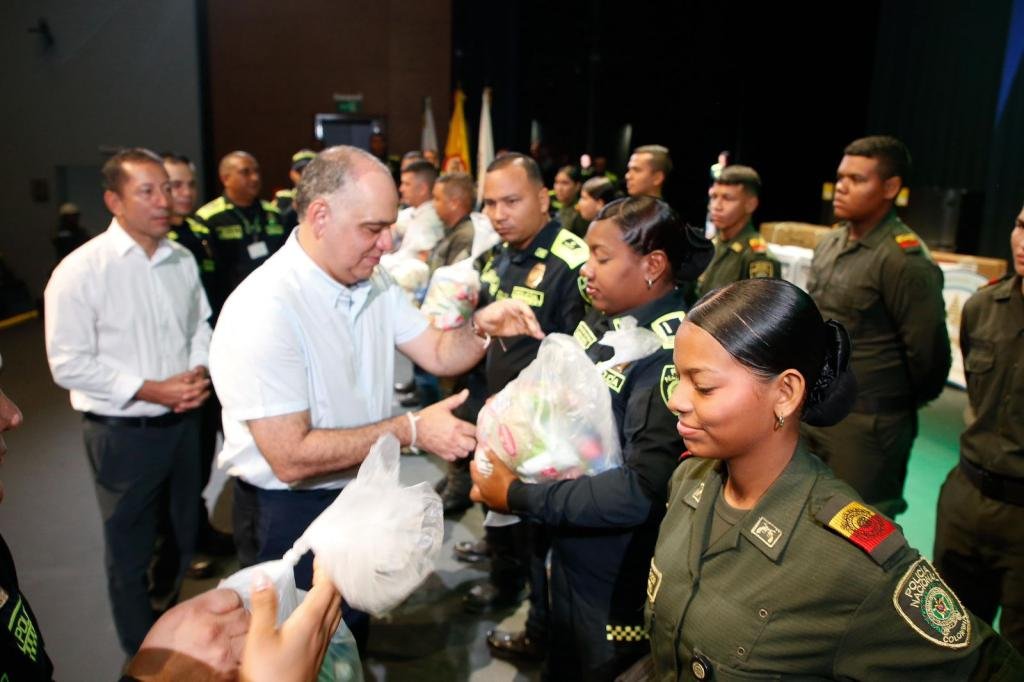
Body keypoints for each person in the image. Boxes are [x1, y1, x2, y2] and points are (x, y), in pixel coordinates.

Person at [208, 145, 542, 652]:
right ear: (320, 216)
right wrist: (410, 431)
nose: (388, 244)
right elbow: (290, 457)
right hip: (290, 513)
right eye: (372, 228)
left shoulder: (371, 278)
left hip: (357, 493)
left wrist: (478, 327)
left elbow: (435, 351)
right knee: (299, 654)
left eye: (389, 225)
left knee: (348, 635)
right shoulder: (265, 309)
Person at [643, 278, 1022, 680]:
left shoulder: (850, 562)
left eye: (702, 386)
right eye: (678, 377)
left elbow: (986, 668)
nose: (677, 400)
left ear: (786, 392)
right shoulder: (688, 480)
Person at [470, 196, 713, 680]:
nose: (587, 270)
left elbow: (641, 492)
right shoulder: (603, 320)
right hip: (566, 535)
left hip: (614, 566)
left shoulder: (669, 354)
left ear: (653, 266)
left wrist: (517, 493)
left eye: (602, 258)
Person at [44, 148, 212, 655]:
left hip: (183, 425)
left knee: (183, 536)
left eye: (167, 187)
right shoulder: (81, 271)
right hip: (123, 435)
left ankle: (166, 618)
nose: (165, 200)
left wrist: (198, 370)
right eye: (148, 191)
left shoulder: (180, 259)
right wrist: (152, 388)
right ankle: (142, 656)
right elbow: (67, 363)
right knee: (129, 552)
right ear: (114, 201)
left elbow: (199, 325)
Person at [802, 135, 950, 517]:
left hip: (869, 428)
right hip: (818, 410)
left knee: (859, 532)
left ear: (891, 188)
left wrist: (891, 406)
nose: (842, 187)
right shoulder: (831, 243)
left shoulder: (904, 260)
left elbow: (929, 355)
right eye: (841, 177)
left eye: (857, 179)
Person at [934, 203, 1024, 652]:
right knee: (948, 633)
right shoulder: (984, 306)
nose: (1023, 241)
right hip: (965, 498)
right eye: (1021, 226)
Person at [195, 151, 286, 300]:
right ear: (225, 178)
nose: (255, 178)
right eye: (245, 172)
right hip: (228, 300)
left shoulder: (274, 213)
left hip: (272, 298)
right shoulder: (208, 218)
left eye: (257, 171)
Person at [695, 164, 779, 298]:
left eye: (727, 198)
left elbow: (758, 312)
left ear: (750, 205)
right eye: (714, 197)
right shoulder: (713, 243)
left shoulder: (756, 257)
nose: (716, 206)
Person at [551, 165, 588, 236]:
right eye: (556, 182)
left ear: (577, 186)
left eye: (565, 183)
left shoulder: (580, 214)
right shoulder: (560, 207)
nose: (559, 188)